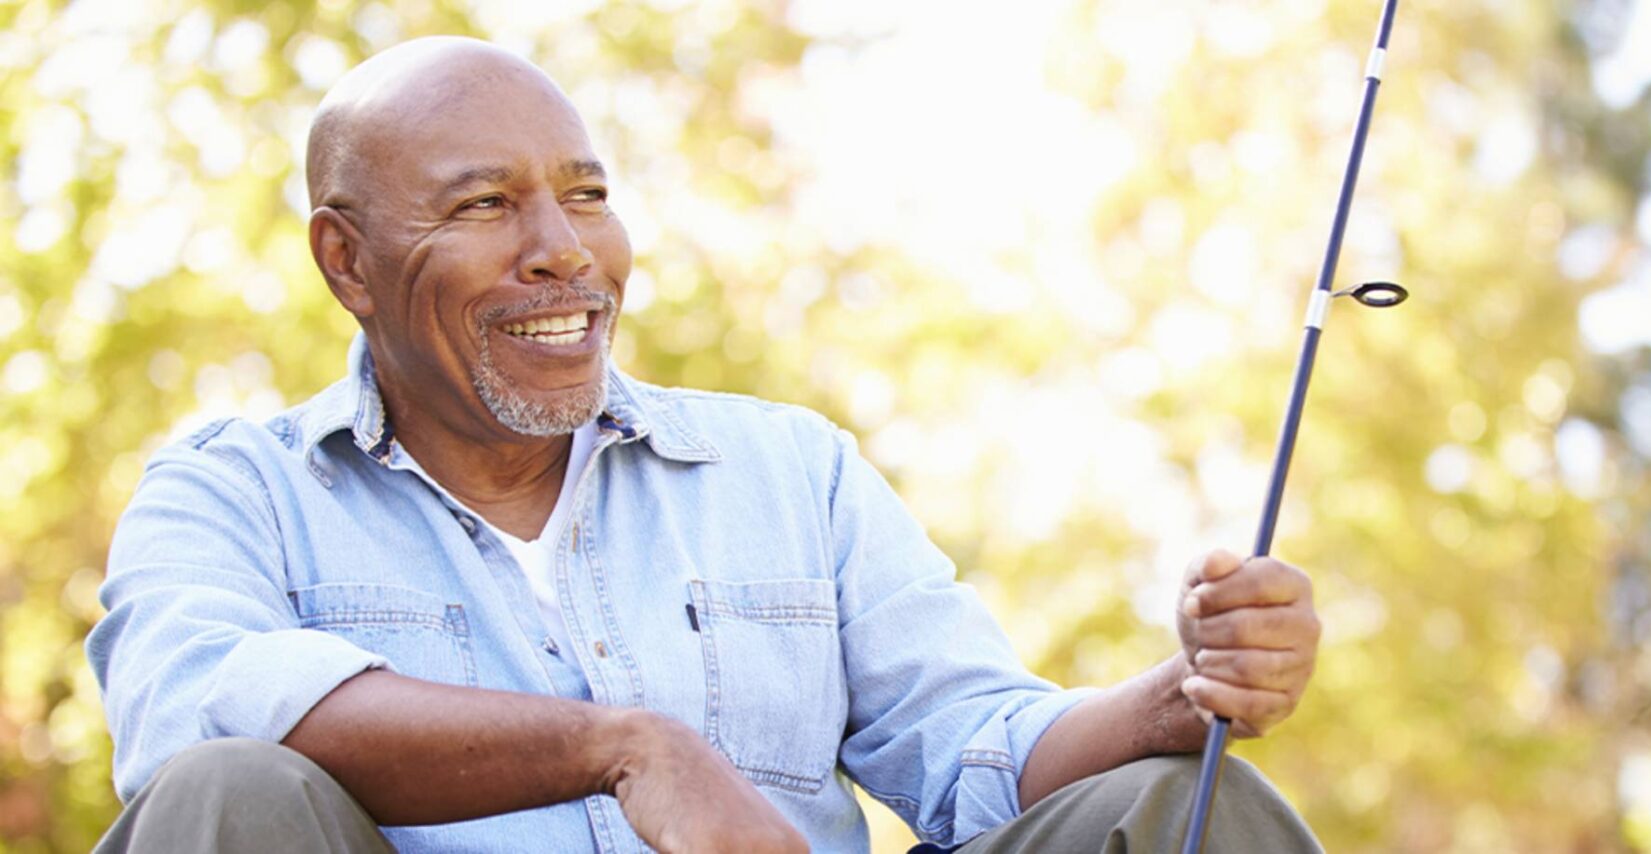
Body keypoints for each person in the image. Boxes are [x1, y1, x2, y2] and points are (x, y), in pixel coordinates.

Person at [85, 36, 1324, 853]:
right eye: (482, 204)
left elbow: (974, 752)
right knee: (226, 790)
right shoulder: (232, 492)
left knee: (1174, 804)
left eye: (585, 193)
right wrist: (624, 745)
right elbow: (199, 718)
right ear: (345, 260)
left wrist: (1182, 693)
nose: (563, 247)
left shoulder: (793, 471)